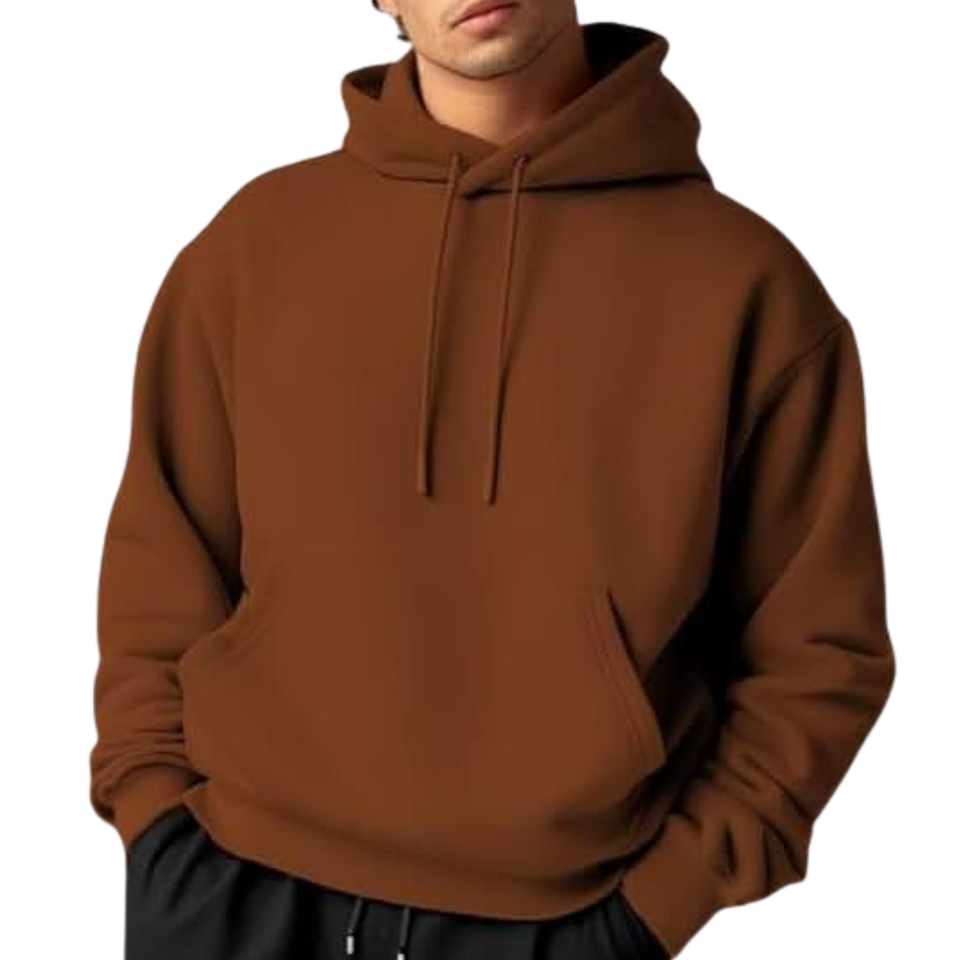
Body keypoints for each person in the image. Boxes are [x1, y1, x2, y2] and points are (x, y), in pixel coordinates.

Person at [89, 2, 897, 958]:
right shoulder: (253, 246)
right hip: (232, 890)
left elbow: (819, 650)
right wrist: (155, 818)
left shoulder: (745, 283)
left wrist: (653, 910)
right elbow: (160, 567)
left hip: (559, 917)